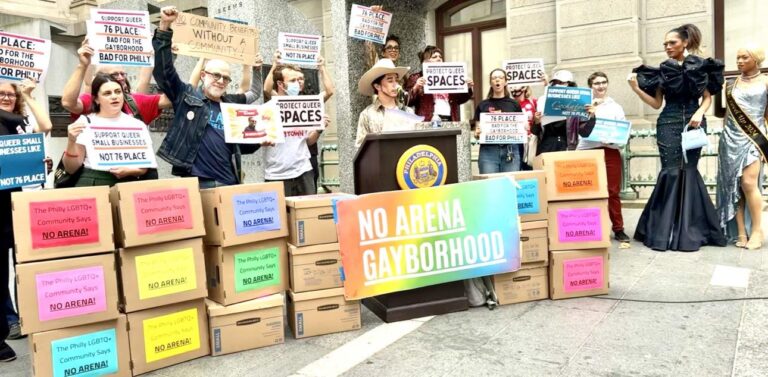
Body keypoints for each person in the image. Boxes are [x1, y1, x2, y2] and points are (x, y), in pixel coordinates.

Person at [629, 23, 727, 251]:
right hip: (668, 123)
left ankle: (691, 230)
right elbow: (655, 103)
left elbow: (707, 98)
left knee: (689, 170)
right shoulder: (664, 70)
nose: (667, 47)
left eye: (671, 42)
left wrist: (699, 113)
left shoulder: (699, 66)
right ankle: (664, 231)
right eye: (665, 44)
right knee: (671, 171)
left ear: (685, 43)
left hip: (694, 122)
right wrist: (635, 88)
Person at [152, 6, 270, 189]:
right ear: (203, 75)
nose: (221, 81)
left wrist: (259, 141)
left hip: (230, 183)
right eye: (216, 75)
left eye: (226, 78)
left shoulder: (232, 105)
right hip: (199, 184)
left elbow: (241, 146)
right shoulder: (187, 96)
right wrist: (164, 27)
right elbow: (163, 71)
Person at [0, 78, 52, 361]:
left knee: (26, 267)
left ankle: (29, 319)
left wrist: (27, 94)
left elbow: (45, 127)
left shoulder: (19, 123)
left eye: (11, 93)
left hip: (19, 206)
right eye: (2, 94)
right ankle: (5, 326)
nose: (7, 97)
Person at [62, 74, 154, 186]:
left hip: (129, 184)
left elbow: (144, 167)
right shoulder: (85, 123)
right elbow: (71, 168)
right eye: (107, 93)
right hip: (93, 183)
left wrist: (130, 171)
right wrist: (71, 142)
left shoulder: (138, 125)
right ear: (96, 99)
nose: (114, 96)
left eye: (118, 92)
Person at [716, 46, 767, 250]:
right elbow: (726, 114)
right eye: (737, 57)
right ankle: (740, 232)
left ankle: (756, 231)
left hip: (754, 139)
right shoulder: (730, 84)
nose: (739, 61)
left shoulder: (765, 82)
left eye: (744, 57)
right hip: (730, 139)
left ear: (756, 59)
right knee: (733, 186)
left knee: (748, 183)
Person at [263, 50, 335, 192]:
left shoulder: (307, 106)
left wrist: (322, 67)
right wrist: (274, 65)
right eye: (293, 80)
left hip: (304, 171)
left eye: (300, 79)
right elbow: (266, 89)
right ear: (281, 84)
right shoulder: (270, 106)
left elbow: (308, 141)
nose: (299, 83)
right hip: (276, 174)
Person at [61, 37, 171, 124]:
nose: (121, 78)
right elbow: (68, 102)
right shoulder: (90, 101)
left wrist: (164, 56)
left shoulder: (134, 101)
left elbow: (170, 99)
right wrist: (82, 65)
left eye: (122, 74)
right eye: (114, 75)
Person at [576, 72, 630, 242]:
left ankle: (618, 228)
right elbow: (582, 131)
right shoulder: (583, 106)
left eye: (603, 82)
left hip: (610, 151)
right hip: (588, 152)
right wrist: (591, 115)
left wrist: (613, 139)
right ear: (590, 86)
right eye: (597, 83)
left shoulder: (616, 107)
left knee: (613, 192)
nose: (601, 86)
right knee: (588, 191)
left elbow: (623, 133)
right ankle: (589, 228)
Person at [472, 68, 523, 173]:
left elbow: (521, 126)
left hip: (510, 150)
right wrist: (477, 133)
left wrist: (524, 128)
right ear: (491, 83)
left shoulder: (514, 104)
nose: (497, 80)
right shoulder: (482, 105)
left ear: (505, 82)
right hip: (488, 151)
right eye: (494, 78)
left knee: (510, 185)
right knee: (490, 185)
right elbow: (476, 132)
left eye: (500, 77)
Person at [532, 70, 595, 154]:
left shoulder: (577, 105)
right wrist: (536, 121)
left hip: (567, 148)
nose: (558, 85)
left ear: (570, 85)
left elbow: (585, 132)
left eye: (562, 83)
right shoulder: (542, 100)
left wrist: (592, 116)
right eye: (556, 82)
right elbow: (535, 131)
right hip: (547, 147)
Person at [405, 45, 474, 122]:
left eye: (440, 57)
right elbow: (407, 102)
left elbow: (459, 100)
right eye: (434, 57)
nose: (439, 59)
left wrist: (467, 88)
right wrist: (416, 87)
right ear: (425, 62)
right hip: (428, 120)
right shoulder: (416, 78)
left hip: (450, 119)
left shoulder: (450, 77)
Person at [355, 58, 412, 149]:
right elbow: (361, 149)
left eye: (396, 80)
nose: (395, 84)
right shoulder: (367, 115)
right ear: (377, 86)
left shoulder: (408, 112)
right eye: (390, 81)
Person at [510, 85, 538, 169]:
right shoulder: (510, 104)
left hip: (530, 141)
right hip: (516, 141)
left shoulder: (533, 102)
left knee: (529, 167)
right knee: (516, 167)